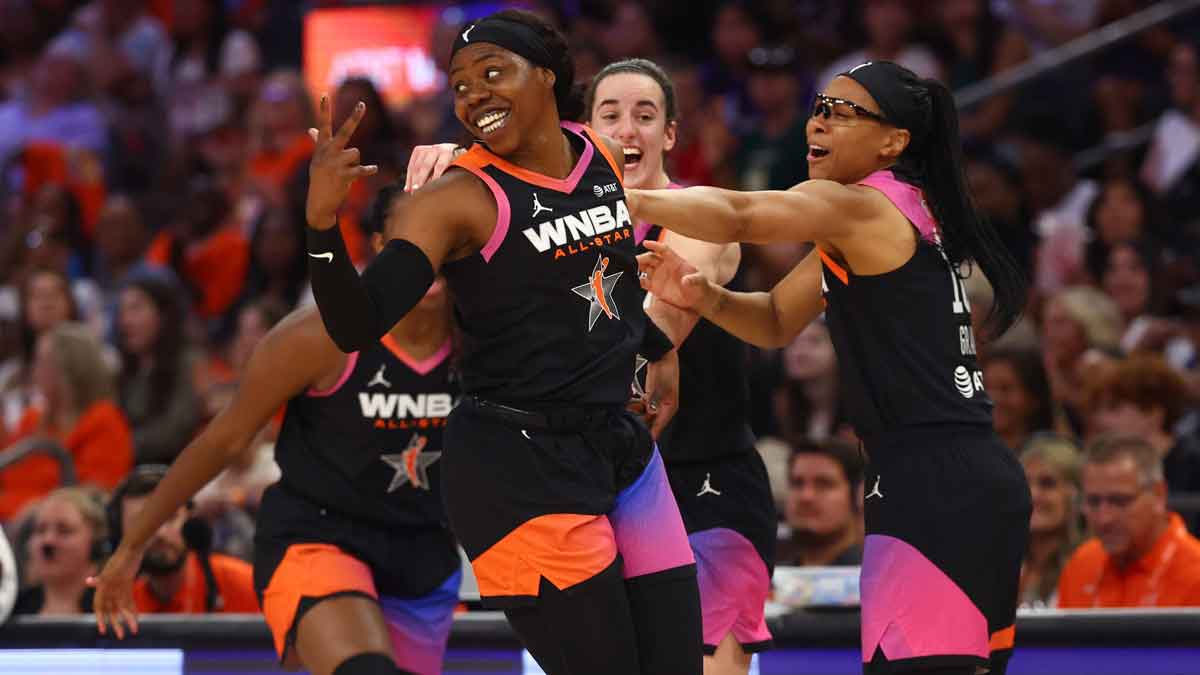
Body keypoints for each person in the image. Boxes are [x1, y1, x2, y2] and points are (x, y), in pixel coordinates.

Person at [302, 10, 700, 675]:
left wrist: (660, 345)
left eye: (493, 73)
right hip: (518, 469)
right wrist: (321, 224)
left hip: (620, 447)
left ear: (546, 76)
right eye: (460, 84)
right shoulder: (455, 199)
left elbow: (612, 278)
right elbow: (355, 323)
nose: (475, 93)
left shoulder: (597, 153)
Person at [633, 61, 1032, 675]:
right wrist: (704, 297)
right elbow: (772, 319)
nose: (817, 122)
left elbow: (737, 215)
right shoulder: (900, 213)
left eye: (842, 113)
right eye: (819, 107)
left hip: (928, 482)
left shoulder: (860, 208)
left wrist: (603, 193)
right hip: (969, 477)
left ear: (893, 142)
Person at [409, 56, 774, 675]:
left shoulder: (700, 216)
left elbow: (657, 324)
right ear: (586, 130)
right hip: (585, 475)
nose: (628, 130)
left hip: (701, 479)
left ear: (671, 135)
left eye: (646, 115)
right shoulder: (532, 220)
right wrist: (465, 170)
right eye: (611, 115)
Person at [90, 184, 463, 675]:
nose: (431, 251)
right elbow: (223, 439)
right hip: (319, 535)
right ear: (381, 245)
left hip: (424, 551)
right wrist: (132, 544)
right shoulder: (319, 338)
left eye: (446, 238)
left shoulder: (490, 342)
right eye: (415, 236)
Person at [1057, 433, 1200, 608]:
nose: (1104, 519)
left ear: (1158, 494)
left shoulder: (1195, 573)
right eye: (1093, 502)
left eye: (1119, 501)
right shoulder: (1081, 564)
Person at [106, 465, 258, 615]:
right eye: (141, 524)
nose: (160, 533)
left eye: (170, 518)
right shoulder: (116, 606)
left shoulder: (247, 585)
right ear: (121, 536)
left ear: (190, 520)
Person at [12, 487, 108, 615]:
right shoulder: (9, 610)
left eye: (64, 530)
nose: (47, 541)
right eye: (40, 530)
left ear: (96, 543)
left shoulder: (115, 606)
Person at [777, 439, 864, 567]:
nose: (806, 496)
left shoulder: (879, 580)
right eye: (797, 483)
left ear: (858, 495)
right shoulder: (769, 579)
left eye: (823, 484)